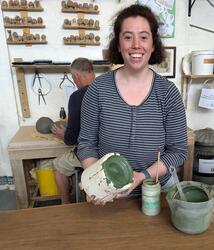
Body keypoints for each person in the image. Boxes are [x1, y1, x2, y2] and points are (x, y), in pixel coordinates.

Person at [77, 4, 187, 205]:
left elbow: (178, 151)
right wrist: (97, 181)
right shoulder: (98, 89)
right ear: (118, 45)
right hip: (109, 194)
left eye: (144, 37)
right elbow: (86, 144)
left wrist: (141, 176)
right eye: (128, 37)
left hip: (157, 190)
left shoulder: (168, 93)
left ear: (153, 45)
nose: (136, 45)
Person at [51, 58, 95, 204]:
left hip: (91, 153)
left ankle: (65, 205)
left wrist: (63, 133)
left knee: (58, 166)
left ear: (76, 76)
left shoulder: (76, 97)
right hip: (111, 148)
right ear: (91, 72)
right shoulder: (108, 90)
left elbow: (71, 139)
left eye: (73, 79)